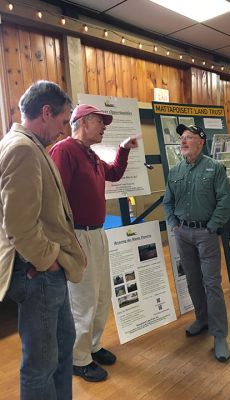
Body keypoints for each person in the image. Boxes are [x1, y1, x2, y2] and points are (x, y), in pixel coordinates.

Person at [0, 80, 86, 400]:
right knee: (40, 364)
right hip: (39, 273)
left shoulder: (28, 144)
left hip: (44, 271)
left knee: (63, 344)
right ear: (46, 112)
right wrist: (49, 261)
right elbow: (19, 225)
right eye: (64, 121)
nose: (65, 130)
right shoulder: (22, 148)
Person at [49, 104, 139, 382]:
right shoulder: (64, 151)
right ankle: (79, 358)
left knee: (101, 295)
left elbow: (113, 173)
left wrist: (123, 149)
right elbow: (54, 197)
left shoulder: (90, 154)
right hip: (78, 236)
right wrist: (65, 240)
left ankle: (93, 345)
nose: (104, 127)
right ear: (84, 122)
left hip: (97, 233)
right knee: (83, 300)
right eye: (100, 122)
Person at [163, 124, 230, 362]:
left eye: (189, 137)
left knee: (212, 284)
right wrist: (173, 223)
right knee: (192, 280)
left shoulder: (215, 169)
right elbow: (167, 201)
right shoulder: (175, 171)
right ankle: (202, 319)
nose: (183, 141)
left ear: (201, 142)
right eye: (181, 138)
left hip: (206, 234)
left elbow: (225, 200)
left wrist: (212, 226)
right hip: (183, 233)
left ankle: (220, 335)